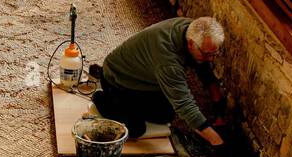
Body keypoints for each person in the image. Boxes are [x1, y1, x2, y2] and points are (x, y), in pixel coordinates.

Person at [93, 16, 227, 147]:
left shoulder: (191, 29)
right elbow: (185, 105)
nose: (210, 59)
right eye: (207, 54)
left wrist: (218, 106)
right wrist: (216, 141)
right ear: (191, 44)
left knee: (165, 114)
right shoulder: (169, 62)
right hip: (117, 80)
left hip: (145, 76)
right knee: (135, 128)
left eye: (214, 54)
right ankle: (102, 98)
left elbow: (203, 68)